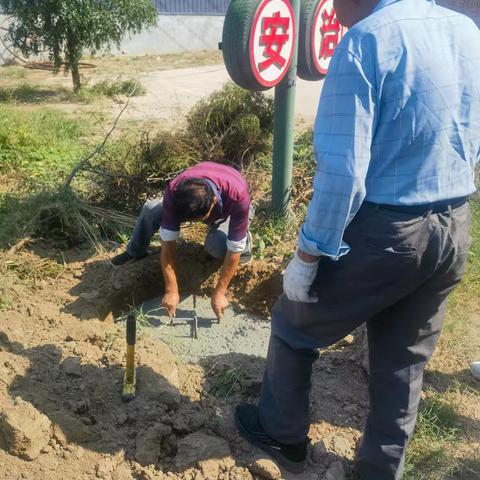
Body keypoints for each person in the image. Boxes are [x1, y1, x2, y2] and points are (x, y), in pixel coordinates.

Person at [234, 1, 480, 479]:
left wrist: (308, 254)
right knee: (403, 362)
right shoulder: (467, 31)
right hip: (455, 223)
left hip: (387, 230)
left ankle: (282, 435)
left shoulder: (367, 40)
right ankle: (378, 471)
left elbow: (343, 174)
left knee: (293, 325)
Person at [111, 161, 252, 319]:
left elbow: (234, 248)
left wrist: (220, 292)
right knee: (151, 210)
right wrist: (171, 289)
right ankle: (135, 251)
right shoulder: (174, 190)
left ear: (213, 201)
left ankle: (246, 244)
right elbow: (168, 244)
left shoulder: (237, 195)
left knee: (217, 245)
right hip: (195, 200)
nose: (195, 223)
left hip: (227, 210)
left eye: (200, 219)